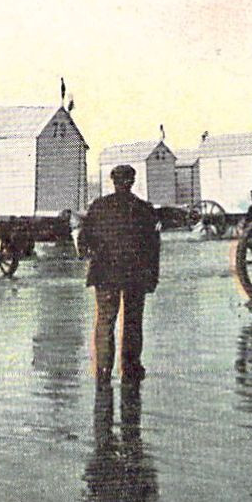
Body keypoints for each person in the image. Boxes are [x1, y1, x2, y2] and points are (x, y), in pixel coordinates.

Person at [77, 164, 161, 385]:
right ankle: (130, 368)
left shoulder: (98, 207)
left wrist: (91, 253)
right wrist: (152, 277)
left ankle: (103, 370)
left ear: (112, 181)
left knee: (105, 321)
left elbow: (83, 240)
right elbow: (153, 246)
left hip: (105, 272)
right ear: (132, 182)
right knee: (133, 321)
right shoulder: (144, 209)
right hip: (136, 273)